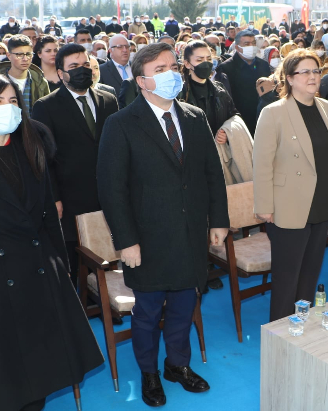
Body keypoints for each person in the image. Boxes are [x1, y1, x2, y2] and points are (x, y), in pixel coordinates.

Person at [0, 74, 103, 410]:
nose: (7, 108)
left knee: (41, 370)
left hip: (39, 272)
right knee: (1, 380)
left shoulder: (32, 143)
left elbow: (47, 214)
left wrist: (62, 269)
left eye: (12, 101)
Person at [97, 42, 229, 407]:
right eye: (161, 69)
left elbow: (212, 175)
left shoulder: (194, 116)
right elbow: (112, 190)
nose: (172, 74)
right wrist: (126, 241)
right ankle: (149, 373)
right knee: (147, 313)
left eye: (174, 66)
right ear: (142, 80)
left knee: (186, 306)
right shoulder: (121, 124)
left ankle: (177, 366)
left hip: (189, 236)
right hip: (147, 240)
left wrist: (218, 221)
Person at [253, 49, 328, 321]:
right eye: (305, 72)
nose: (313, 77)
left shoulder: (326, 107)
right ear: (290, 78)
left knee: (310, 274)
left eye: (317, 71)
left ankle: (303, 327)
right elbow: (262, 164)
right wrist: (264, 207)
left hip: (322, 201)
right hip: (288, 206)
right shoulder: (273, 113)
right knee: (286, 278)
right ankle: (280, 334)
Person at [32, 43, 119, 283]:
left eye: (85, 65)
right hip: (70, 197)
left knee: (109, 251)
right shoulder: (45, 107)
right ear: (61, 73)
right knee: (75, 255)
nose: (82, 70)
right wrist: (54, 196)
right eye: (74, 66)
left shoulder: (109, 99)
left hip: (109, 191)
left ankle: (105, 301)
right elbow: (43, 158)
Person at [215, 29, 272, 136]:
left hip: (263, 119)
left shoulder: (263, 65)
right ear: (237, 47)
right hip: (239, 123)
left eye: (253, 43)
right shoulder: (226, 68)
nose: (251, 46)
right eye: (246, 44)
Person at [179, 40, 237, 142]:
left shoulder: (220, 89)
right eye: (199, 60)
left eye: (209, 59)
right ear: (187, 64)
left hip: (219, 152)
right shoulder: (180, 95)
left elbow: (234, 115)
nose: (205, 63)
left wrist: (227, 132)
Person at [0, 35, 50, 116]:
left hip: (33, 127)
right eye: (19, 54)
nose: (25, 59)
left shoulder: (40, 81)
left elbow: (47, 111)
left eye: (28, 54)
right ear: (9, 56)